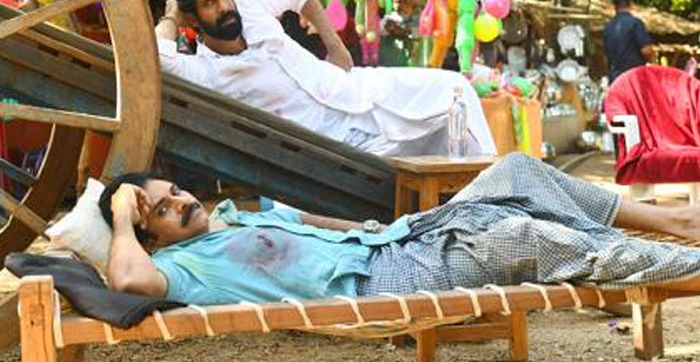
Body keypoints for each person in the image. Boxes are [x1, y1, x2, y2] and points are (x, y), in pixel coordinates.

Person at [99, 153, 700, 305]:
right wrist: (123, 215)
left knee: (515, 170)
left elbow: (318, 223)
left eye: (173, 192)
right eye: (161, 210)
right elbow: (128, 283)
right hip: (382, 282)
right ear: (149, 237)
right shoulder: (182, 269)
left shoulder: (238, 216)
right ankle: (687, 264)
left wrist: (393, 226)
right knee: (526, 236)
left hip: (399, 241)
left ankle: (673, 220)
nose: (179, 202)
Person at [155, 0, 496, 157]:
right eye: (209, 3)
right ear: (192, 19)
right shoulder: (206, 72)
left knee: (454, 90)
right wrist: (171, 15)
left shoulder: (247, 4)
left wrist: (334, 45)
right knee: (435, 131)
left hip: (355, 88)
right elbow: (159, 58)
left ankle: (492, 189)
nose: (225, 6)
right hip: (335, 141)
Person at [603, 0, 655, 84]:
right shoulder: (635, 24)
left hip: (615, 79)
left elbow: (606, 56)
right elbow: (646, 50)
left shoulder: (608, 27)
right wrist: (652, 61)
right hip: (633, 78)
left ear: (615, 6)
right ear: (630, 4)